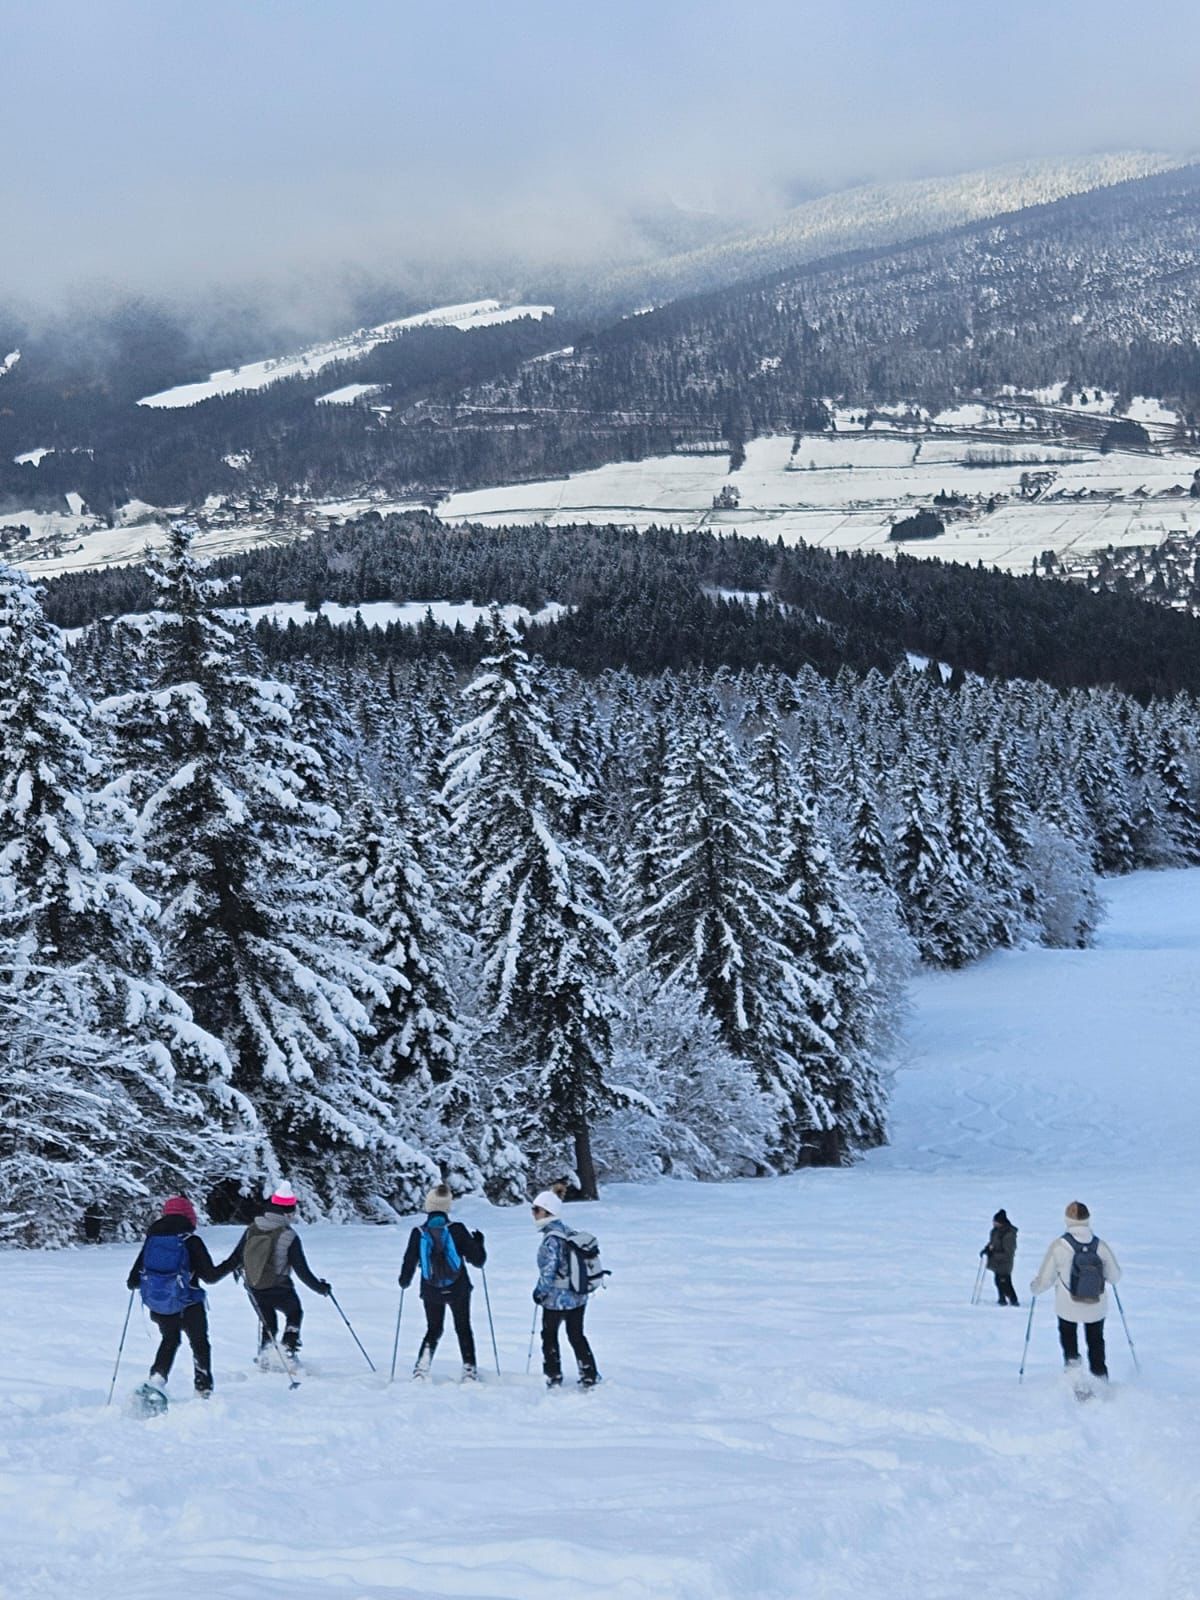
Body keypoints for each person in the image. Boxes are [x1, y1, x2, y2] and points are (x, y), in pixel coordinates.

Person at [219, 1185, 331, 1365]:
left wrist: (213, 1274)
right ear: (288, 1212)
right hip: (280, 1287)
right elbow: (302, 1270)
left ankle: (265, 1357)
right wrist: (321, 1288)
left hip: (255, 1287)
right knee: (294, 1313)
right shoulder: (289, 1235)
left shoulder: (252, 1229)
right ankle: (288, 1350)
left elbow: (235, 1259)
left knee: (269, 1324)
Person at [126, 1195, 225, 1397]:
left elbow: (132, 1281)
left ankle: (156, 1380)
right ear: (189, 1216)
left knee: (170, 1339)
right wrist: (235, 1261)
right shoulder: (191, 1241)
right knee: (199, 1343)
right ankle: (203, 1388)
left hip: (160, 1305)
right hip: (188, 1304)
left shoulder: (152, 1241)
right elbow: (210, 1276)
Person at [398, 1185, 487, 1380]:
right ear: (447, 1207)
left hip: (431, 1290)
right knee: (463, 1327)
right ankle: (469, 1370)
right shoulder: (458, 1230)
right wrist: (479, 1243)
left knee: (434, 1328)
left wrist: (404, 1281)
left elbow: (409, 1261)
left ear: (428, 1206)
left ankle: (422, 1368)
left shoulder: (418, 1232)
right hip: (459, 1288)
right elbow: (478, 1261)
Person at [1030, 1201, 1121, 1381]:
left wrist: (1035, 1288)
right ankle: (1100, 1378)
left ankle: (1074, 1378)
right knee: (1096, 1342)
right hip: (1096, 1305)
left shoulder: (1059, 1246)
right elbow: (1115, 1277)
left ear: (1067, 1220)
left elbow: (1045, 1279)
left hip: (1067, 1306)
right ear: (1088, 1220)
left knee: (1069, 1340)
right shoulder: (1100, 1246)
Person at [531, 1188, 599, 1389]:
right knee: (576, 1334)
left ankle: (553, 1375)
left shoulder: (552, 1239)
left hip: (556, 1299)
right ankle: (588, 1373)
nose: (533, 1214)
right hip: (578, 1295)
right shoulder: (567, 1231)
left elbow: (549, 1270)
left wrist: (539, 1292)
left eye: (536, 1209)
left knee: (549, 1335)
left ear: (547, 1211)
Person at [981, 1209, 1019, 1306]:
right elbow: (992, 1243)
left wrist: (993, 1254)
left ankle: (1013, 1300)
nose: (993, 1223)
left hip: (1005, 1263)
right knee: (998, 1281)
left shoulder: (1009, 1234)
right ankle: (1002, 1299)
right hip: (997, 1262)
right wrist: (986, 1250)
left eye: (995, 1221)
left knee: (1005, 1282)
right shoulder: (995, 1231)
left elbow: (1008, 1253)